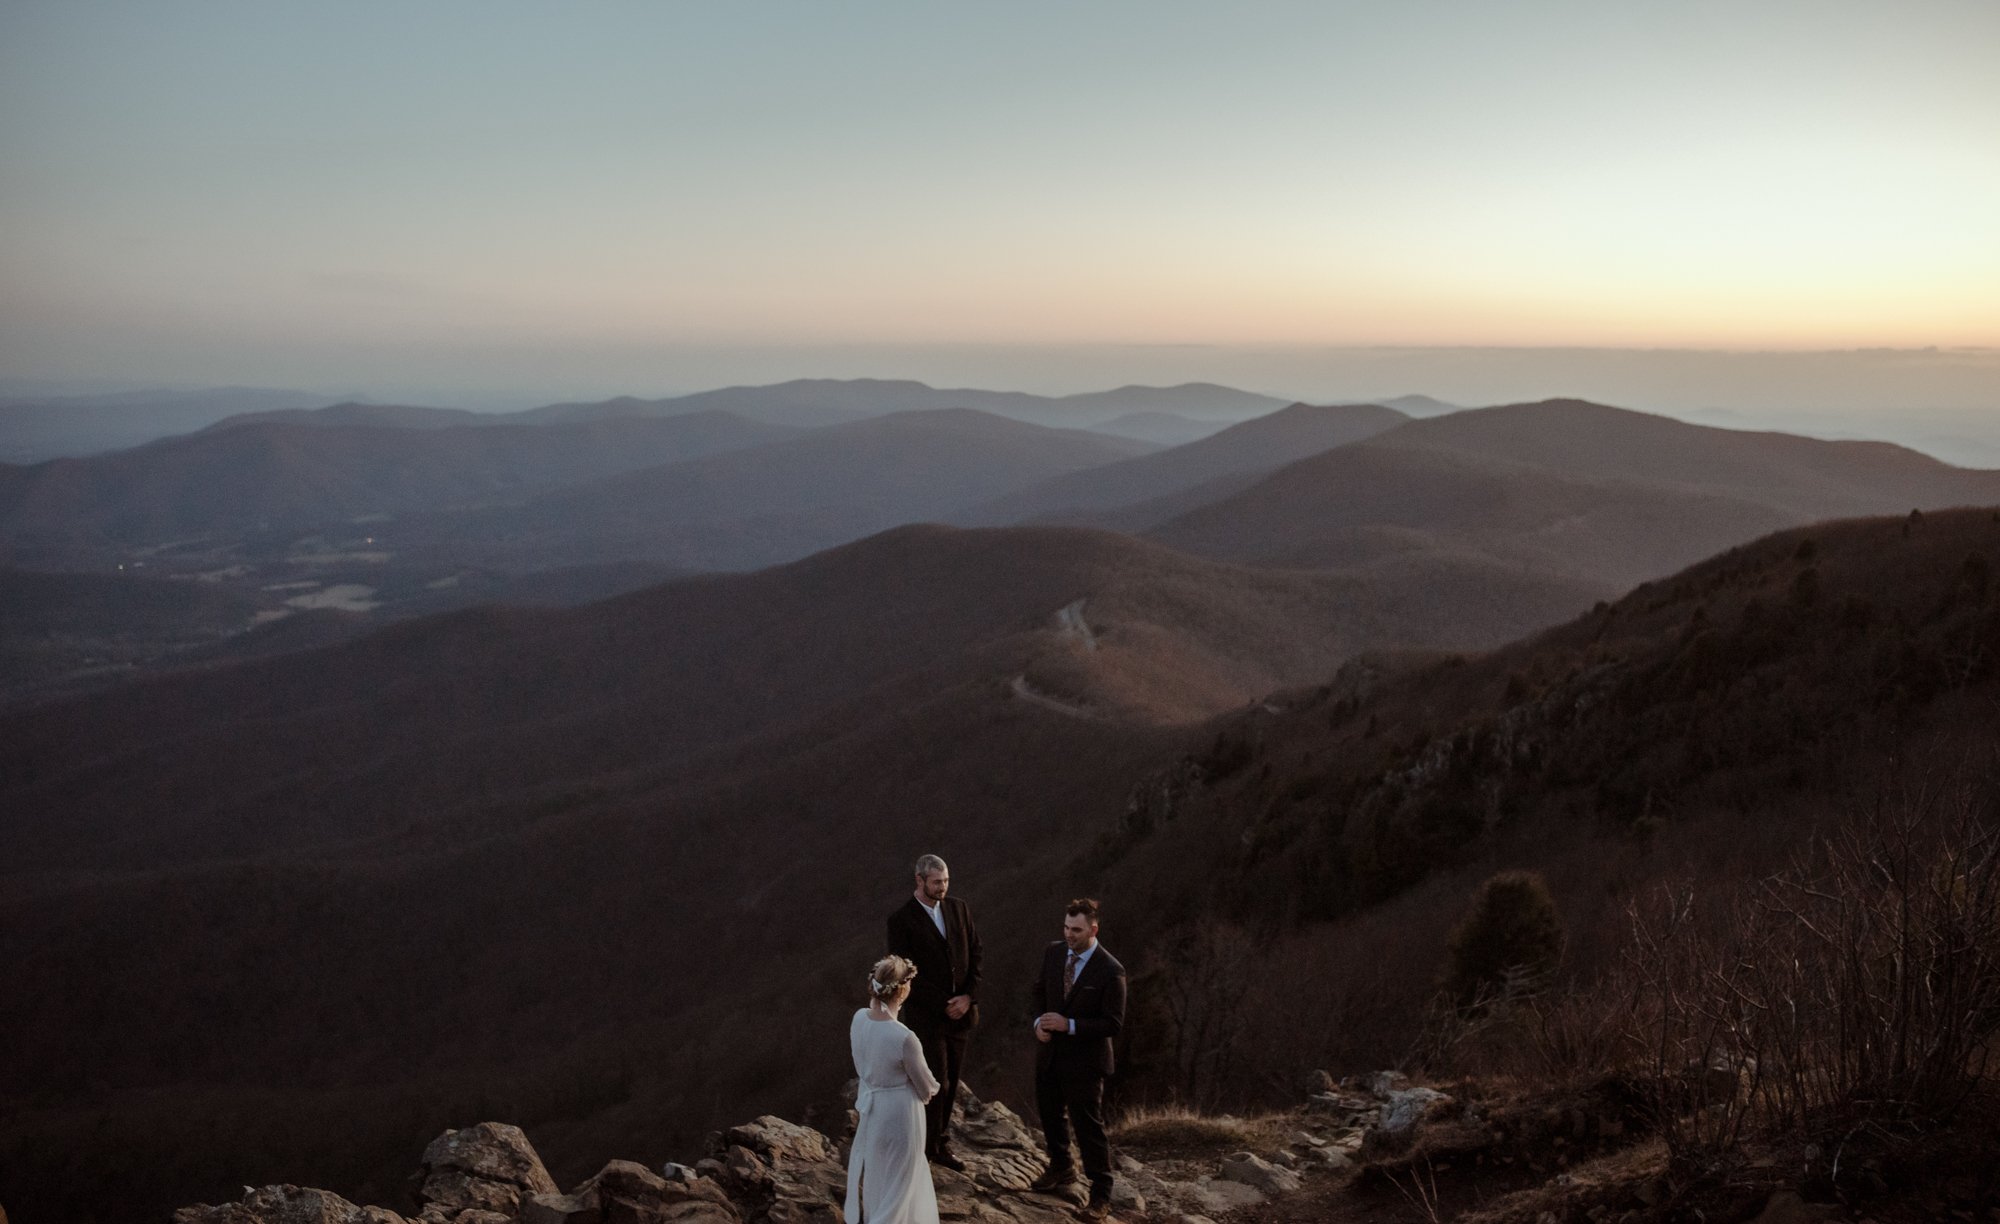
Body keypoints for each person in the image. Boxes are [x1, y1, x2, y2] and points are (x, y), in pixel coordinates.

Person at [1028, 898, 1126, 1220]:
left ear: (1093, 929)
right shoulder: (1053, 952)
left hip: (1085, 1063)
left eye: (1077, 930)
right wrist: (1038, 1023)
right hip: (1050, 1055)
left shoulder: (1111, 970)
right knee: (1051, 1116)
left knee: (1088, 1129)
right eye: (1067, 928)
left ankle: (1100, 1195)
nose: (1069, 935)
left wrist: (1068, 1025)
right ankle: (1061, 1168)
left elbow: (1113, 1023)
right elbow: (1038, 993)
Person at [884, 853, 982, 1170]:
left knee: (952, 1080)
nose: (942, 887)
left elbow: (976, 953)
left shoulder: (959, 908)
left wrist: (968, 996)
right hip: (927, 1017)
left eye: (946, 881)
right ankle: (924, 1149)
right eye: (936, 882)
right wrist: (944, 1003)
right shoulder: (901, 921)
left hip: (962, 1013)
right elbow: (906, 972)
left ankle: (940, 1144)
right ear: (920, 880)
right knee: (933, 1082)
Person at [845, 955, 942, 1224]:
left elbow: (862, 1065)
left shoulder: (859, 1020)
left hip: (873, 1111)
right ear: (902, 990)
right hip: (901, 1113)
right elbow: (926, 1088)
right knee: (903, 1183)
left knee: (879, 1177)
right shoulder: (904, 1037)